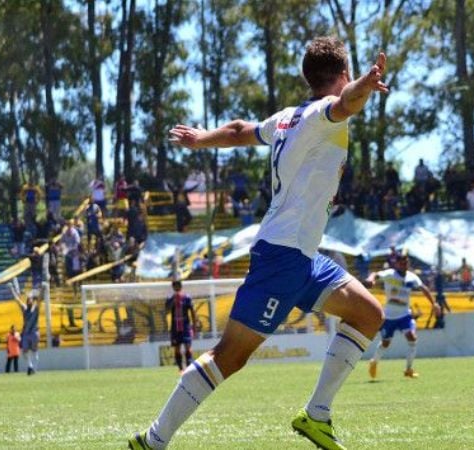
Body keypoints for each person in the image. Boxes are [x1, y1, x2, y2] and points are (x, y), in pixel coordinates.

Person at [130, 37, 388, 450]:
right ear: (343, 74)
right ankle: (153, 439)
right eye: (349, 75)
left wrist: (201, 139)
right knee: (229, 357)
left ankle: (317, 415)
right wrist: (365, 84)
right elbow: (347, 102)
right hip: (283, 257)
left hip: (303, 257)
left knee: (368, 314)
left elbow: (238, 130)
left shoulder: (287, 118)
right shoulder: (324, 112)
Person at [365, 252, 439, 379]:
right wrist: (371, 279)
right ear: (397, 264)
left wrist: (434, 303)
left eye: (406, 263)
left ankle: (408, 369)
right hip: (389, 316)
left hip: (405, 315)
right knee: (385, 343)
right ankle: (374, 362)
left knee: (412, 338)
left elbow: (423, 288)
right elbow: (376, 274)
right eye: (402, 263)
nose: (404, 265)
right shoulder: (390, 274)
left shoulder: (412, 277)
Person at [9, 279, 40, 375]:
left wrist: (43, 288)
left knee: (34, 351)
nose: (29, 301)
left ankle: (34, 369)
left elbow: (40, 299)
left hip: (34, 333)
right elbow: (17, 300)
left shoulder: (36, 308)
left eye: (30, 299)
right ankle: (30, 367)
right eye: (28, 300)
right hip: (26, 333)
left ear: (33, 301)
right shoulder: (25, 308)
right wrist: (11, 289)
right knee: (25, 352)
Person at [165, 280, 196, 372]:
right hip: (175, 327)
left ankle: (189, 368)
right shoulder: (170, 298)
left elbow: (192, 311)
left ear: (181, 286)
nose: (177, 287)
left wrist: (194, 324)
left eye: (178, 285)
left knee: (188, 347)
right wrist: (173, 301)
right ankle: (180, 369)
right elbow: (167, 310)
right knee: (177, 348)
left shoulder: (187, 298)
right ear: (173, 287)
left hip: (185, 326)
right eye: (175, 285)